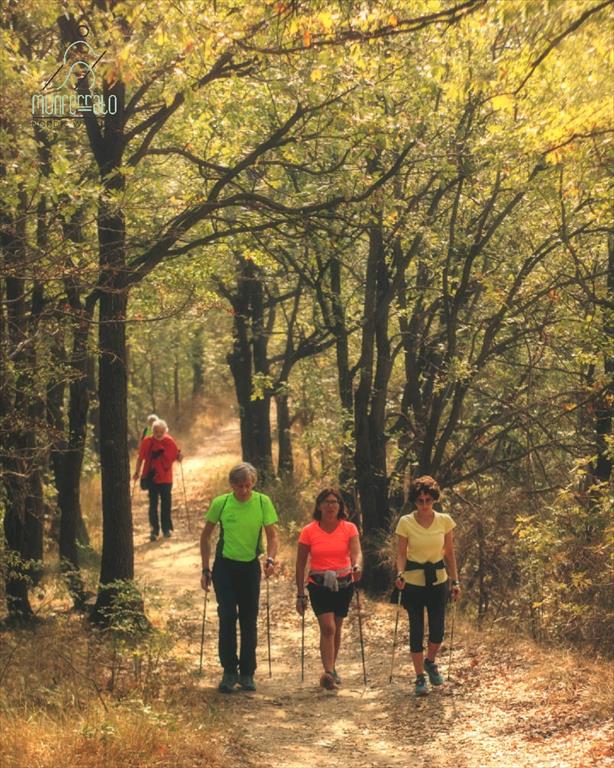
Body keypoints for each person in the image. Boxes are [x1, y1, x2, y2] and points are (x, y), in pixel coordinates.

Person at [200, 462, 279, 693]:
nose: (244, 490)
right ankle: (229, 671)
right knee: (227, 617)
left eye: (248, 485)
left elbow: (272, 536)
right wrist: (205, 569)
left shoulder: (263, 502)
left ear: (253, 483)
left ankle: (247, 673)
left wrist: (271, 559)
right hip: (224, 567)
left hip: (250, 567)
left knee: (248, 620)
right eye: (239, 486)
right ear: (231, 485)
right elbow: (205, 536)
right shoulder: (221, 503)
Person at [394, 475, 460, 697]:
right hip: (413, 581)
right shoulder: (405, 522)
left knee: (437, 631)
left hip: (438, 580)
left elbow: (449, 553)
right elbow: (401, 553)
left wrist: (455, 580)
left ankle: (430, 661)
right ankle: (420, 677)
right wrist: (400, 573)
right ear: (414, 500)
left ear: (434, 500)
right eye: (420, 500)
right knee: (416, 629)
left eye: (428, 500)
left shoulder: (444, 521)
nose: (424, 505)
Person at [295, 488, 362, 690]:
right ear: (319, 506)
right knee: (328, 627)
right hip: (318, 584)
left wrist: (357, 566)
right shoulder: (309, 531)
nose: (330, 506)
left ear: (340, 506)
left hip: (344, 583)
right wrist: (300, 593)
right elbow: (300, 563)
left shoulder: (349, 528)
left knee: (337, 626)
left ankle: (332, 666)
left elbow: (356, 552)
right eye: (326, 502)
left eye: (334, 502)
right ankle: (329, 672)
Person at [133, 419, 182, 541]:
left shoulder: (169, 441)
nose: (158, 434)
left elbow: (176, 455)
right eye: (156, 431)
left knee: (166, 504)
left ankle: (166, 529)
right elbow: (140, 458)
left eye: (161, 432)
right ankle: (154, 530)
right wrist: (137, 472)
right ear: (152, 431)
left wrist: (180, 457)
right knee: (153, 504)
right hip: (152, 478)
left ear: (165, 431)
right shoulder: (147, 441)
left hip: (166, 478)